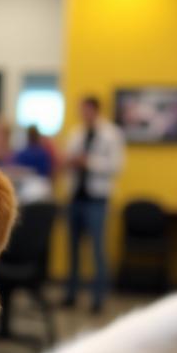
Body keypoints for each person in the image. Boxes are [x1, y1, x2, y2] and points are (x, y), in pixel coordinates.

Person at [63, 95, 125, 313]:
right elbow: (69, 159)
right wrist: (70, 162)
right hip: (75, 197)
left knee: (98, 250)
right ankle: (71, 294)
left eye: (87, 110)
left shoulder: (111, 134)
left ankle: (98, 298)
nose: (83, 114)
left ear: (96, 110)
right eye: (81, 110)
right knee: (72, 250)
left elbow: (117, 167)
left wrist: (88, 162)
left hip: (97, 199)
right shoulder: (75, 133)